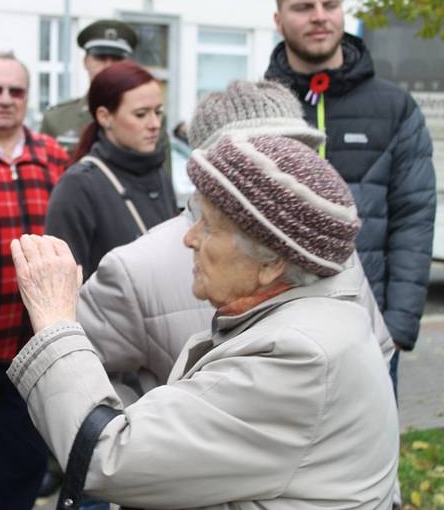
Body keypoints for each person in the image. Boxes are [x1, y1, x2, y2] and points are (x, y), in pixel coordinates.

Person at [8, 133, 399, 508]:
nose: (189, 238)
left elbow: (106, 458)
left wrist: (55, 320)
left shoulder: (300, 355)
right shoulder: (310, 323)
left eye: (209, 226)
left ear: (272, 263)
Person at [77, 80, 396, 401]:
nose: (285, 171)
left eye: (296, 150)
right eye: (257, 156)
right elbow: (79, 376)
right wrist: (150, 431)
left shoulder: (326, 246)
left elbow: (375, 348)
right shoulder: (136, 267)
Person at [265, 0, 436, 394]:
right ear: (278, 18)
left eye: (330, 5)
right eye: (304, 7)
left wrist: (397, 326)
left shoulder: (394, 107)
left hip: (371, 335)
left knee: (372, 459)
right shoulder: (261, 106)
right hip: (276, 335)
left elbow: (414, 216)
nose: (320, 17)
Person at [0, 51, 69, 510]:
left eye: (16, 91)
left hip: (32, 349)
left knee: (20, 474)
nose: (5, 100)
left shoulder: (52, 157)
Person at [46, 60, 177, 280]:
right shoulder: (78, 185)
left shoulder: (159, 173)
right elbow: (64, 284)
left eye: (158, 112)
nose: (155, 123)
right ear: (105, 117)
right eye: (141, 114)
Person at [40, 19, 138, 153]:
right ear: (85, 62)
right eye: (100, 58)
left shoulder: (149, 120)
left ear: (128, 64)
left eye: (116, 59)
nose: (108, 66)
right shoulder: (57, 120)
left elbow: (161, 173)